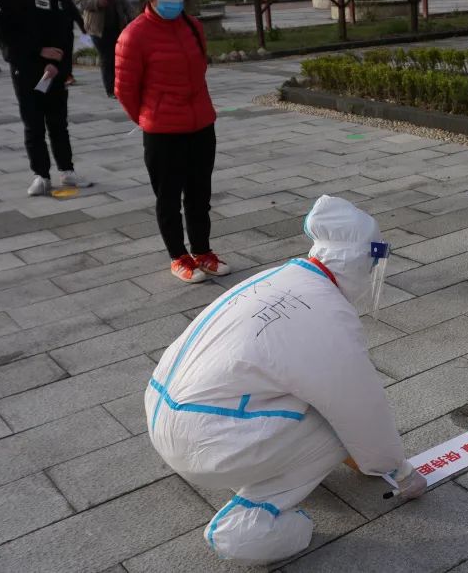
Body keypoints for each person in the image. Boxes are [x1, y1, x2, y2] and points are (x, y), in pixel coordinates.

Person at [145, 195, 424, 565]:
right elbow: (360, 406)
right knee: (338, 418)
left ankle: (292, 458)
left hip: (165, 414)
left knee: (320, 396)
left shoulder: (285, 276)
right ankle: (247, 524)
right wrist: (400, 471)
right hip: (209, 442)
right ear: (358, 260)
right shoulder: (327, 313)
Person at [115, 0, 228, 282]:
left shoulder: (192, 26)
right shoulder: (133, 35)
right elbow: (124, 90)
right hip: (162, 132)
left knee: (199, 195)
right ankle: (179, 256)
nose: (174, 1)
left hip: (201, 124)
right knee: (168, 198)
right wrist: (150, 118)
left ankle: (203, 251)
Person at [0, 0, 92, 196]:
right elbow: (2, 31)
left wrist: (58, 64)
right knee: (33, 123)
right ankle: (41, 175)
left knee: (58, 123)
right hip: (24, 67)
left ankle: (67, 170)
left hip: (52, 68)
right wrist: (38, 51)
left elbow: (63, 28)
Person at [75, 0, 133, 97]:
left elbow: (126, 6)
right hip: (98, 29)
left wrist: (133, 20)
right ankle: (110, 89)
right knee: (107, 58)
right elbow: (79, 4)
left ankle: (119, 85)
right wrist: (96, 2)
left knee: (117, 57)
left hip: (116, 28)